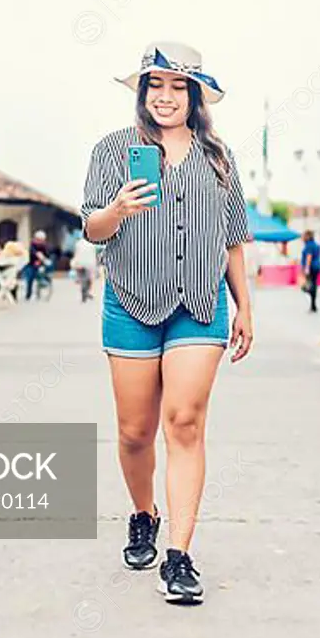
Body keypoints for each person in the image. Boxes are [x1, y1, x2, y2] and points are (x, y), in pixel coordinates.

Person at [81, 40, 253, 606]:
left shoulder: (219, 158)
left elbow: (232, 239)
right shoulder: (112, 152)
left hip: (199, 305)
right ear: (142, 92)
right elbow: (92, 230)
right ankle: (142, 514)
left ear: (196, 96)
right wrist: (117, 210)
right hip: (129, 301)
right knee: (134, 432)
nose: (166, 97)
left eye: (179, 87)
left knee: (183, 423)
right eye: (156, 86)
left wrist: (244, 306)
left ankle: (179, 556)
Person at [71, 234, 98, 302]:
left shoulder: (78, 244)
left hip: (80, 264)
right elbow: (94, 254)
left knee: (82, 279)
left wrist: (76, 263)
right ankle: (86, 291)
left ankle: (84, 291)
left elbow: (76, 254)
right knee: (89, 280)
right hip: (90, 264)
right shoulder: (92, 244)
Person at [300, 229, 320, 313]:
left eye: (303, 236)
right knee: (313, 283)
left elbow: (309, 256)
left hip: (311, 267)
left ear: (307, 236)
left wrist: (306, 268)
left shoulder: (308, 245)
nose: (302, 238)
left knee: (307, 285)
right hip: (317, 266)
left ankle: (312, 302)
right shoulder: (317, 245)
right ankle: (313, 304)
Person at [25, 230, 50, 300]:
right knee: (30, 278)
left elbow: (47, 254)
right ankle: (28, 294)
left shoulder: (44, 245)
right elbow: (32, 253)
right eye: (38, 240)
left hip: (41, 264)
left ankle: (42, 287)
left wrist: (41, 261)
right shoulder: (32, 245)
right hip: (31, 264)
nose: (40, 241)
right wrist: (37, 256)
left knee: (42, 275)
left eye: (41, 240)